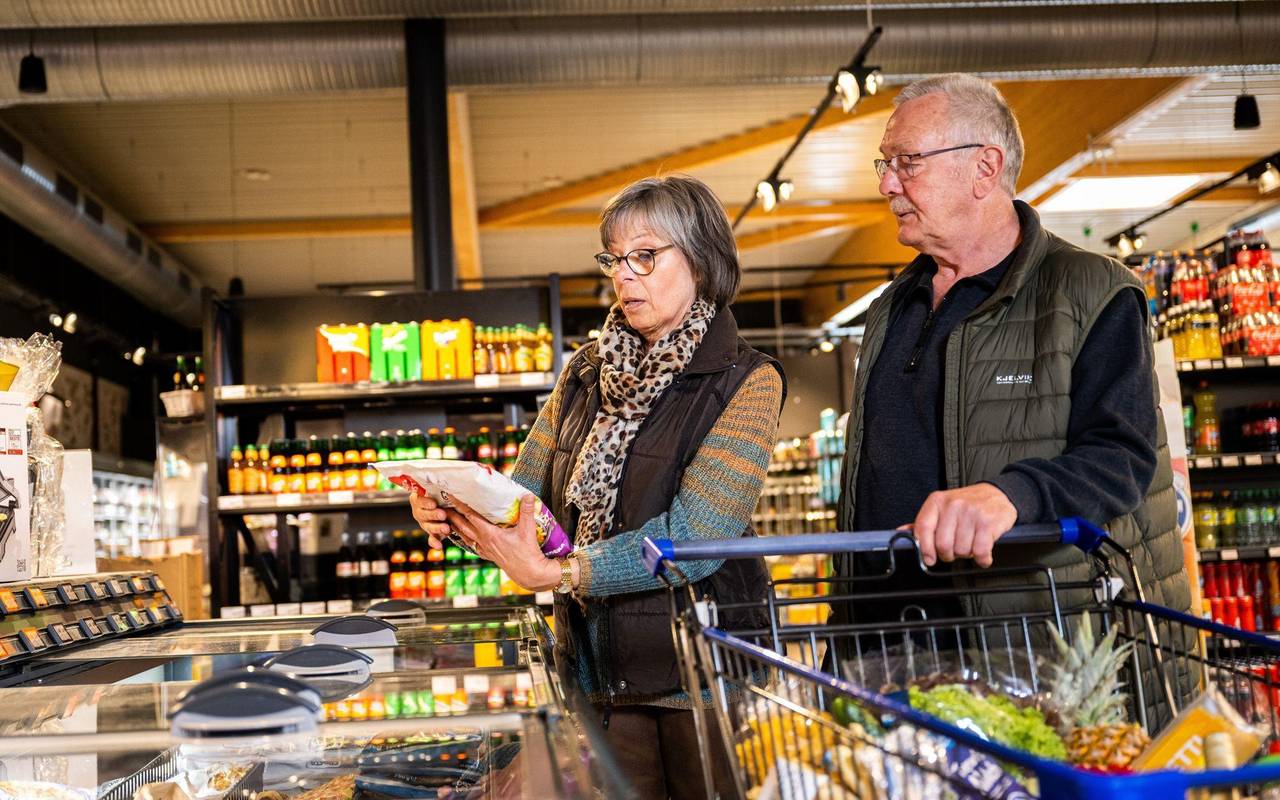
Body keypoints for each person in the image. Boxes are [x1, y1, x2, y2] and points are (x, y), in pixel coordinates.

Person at [410, 175, 785, 799]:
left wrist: (565, 574)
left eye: (645, 256)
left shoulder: (747, 379)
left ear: (701, 258)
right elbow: (522, 498)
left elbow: (699, 536)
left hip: (703, 674)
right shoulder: (585, 373)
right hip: (596, 673)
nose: (624, 275)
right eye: (615, 258)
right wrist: (450, 510)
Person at [834, 73, 1190, 623]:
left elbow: (1122, 458)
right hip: (886, 641)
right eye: (886, 164)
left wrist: (1012, 496)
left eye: (908, 162)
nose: (887, 185)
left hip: (1028, 640)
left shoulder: (1093, 291)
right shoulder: (893, 307)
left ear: (984, 167)